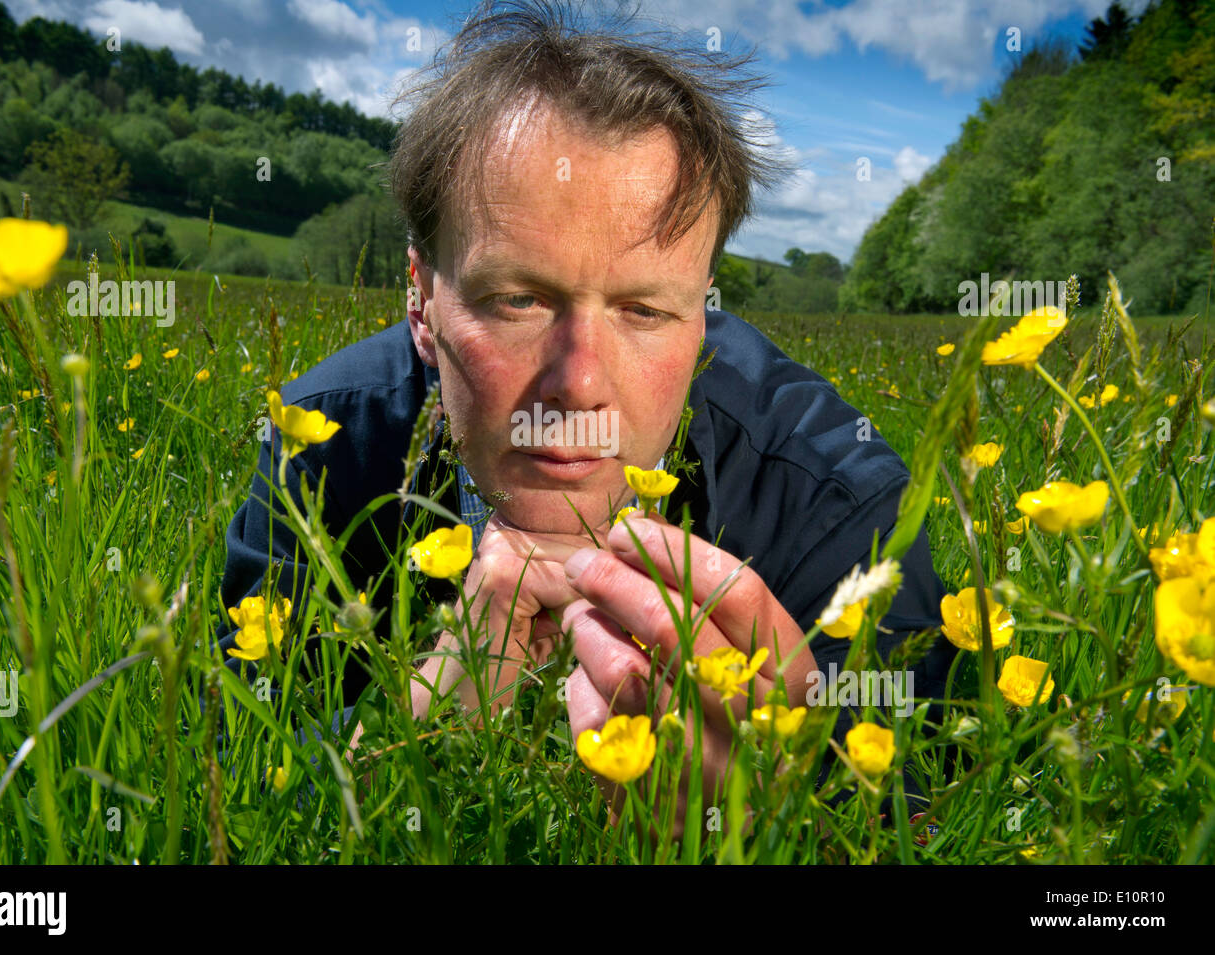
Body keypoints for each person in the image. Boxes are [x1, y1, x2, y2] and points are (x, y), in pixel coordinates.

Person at [217, 0, 954, 832]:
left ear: (703, 314)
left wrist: (784, 811)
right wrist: (396, 753)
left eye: (645, 310)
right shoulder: (319, 445)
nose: (581, 385)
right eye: (520, 299)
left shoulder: (842, 507)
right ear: (421, 303)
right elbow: (232, 778)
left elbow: (926, 821)